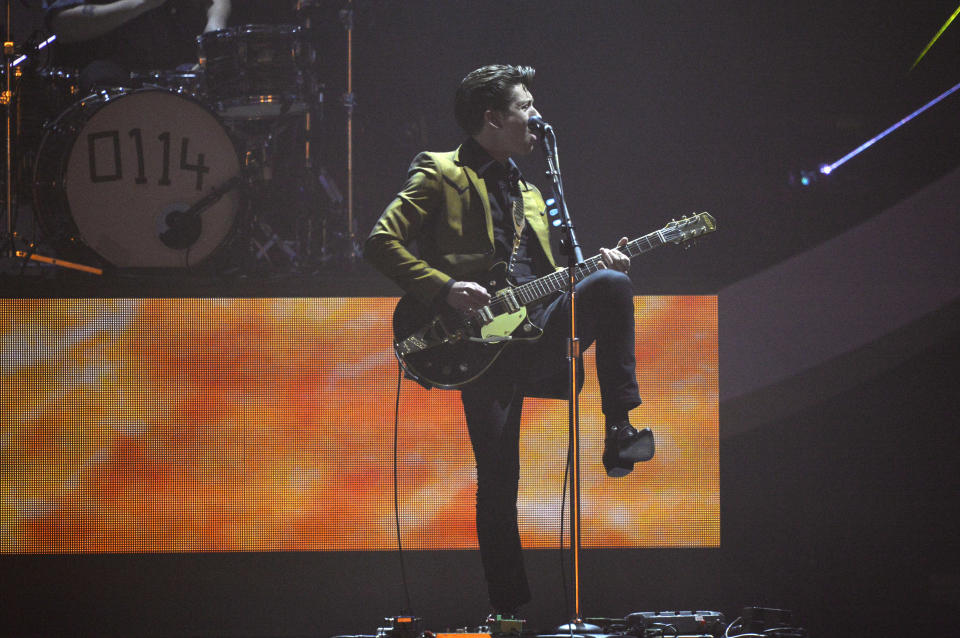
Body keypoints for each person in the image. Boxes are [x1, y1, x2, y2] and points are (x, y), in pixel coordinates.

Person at [364, 64, 655, 616]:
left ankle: (619, 427)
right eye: (526, 106)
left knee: (612, 282)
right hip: (474, 346)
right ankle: (509, 612)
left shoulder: (531, 191)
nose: (536, 116)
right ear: (492, 119)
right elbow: (380, 242)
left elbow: (558, 274)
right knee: (499, 480)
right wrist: (445, 289)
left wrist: (596, 268)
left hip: (533, 331)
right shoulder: (439, 172)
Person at [43, 0, 231, 93]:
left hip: (177, 68)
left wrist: (214, 29)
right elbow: (64, 26)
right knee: (100, 77)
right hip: (107, 75)